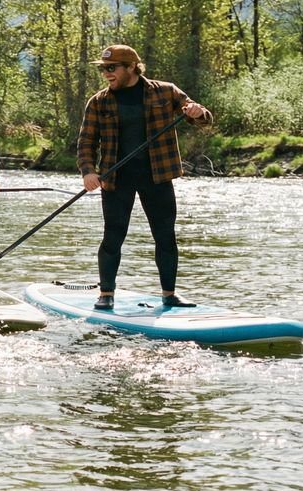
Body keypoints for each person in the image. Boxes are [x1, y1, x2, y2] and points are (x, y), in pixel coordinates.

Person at [78, 45, 212, 311]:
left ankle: (169, 294)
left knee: (165, 236)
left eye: (111, 68)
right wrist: (88, 171)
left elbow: (204, 119)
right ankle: (106, 294)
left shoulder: (165, 91)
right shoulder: (99, 101)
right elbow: (86, 142)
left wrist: (197, 112)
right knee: (113, 236)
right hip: (116, 179)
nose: (106, 74)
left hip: (158, 176)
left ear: (131, 67)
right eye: (103, 68)